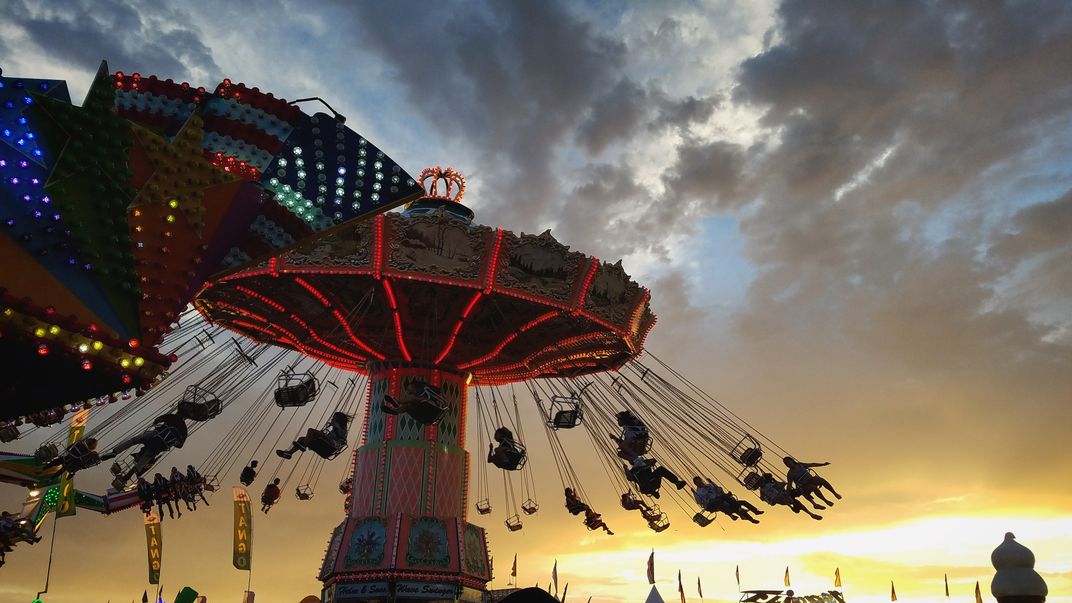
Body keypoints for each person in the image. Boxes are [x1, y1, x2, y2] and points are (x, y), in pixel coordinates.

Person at [101, 413, 189, 487]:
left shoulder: (172, 416)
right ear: (185, 418)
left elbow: (157, 420)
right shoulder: (184, 430)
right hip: (162, 445)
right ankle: (127, 477)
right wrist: (173, 440)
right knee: (144, 460)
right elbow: (180, 445)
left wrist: (159, 422)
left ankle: (114, 452)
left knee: (134, 440)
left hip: (155, 435)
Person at [276, 412, 349, 460]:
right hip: (328, 441)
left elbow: (334, 425)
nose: (333, 418)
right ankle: (289, 453)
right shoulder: (337, 427)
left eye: (334, 417)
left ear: (338, 419)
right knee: (301, 439)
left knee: (311, 430)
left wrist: (332, 423)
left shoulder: (341, 427)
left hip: (332, 443)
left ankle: (304, 446)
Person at [691, 476, 763, 524]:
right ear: (696, 484)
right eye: (698, 482)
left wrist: (712, 482)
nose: (700, 482)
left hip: (721, 499)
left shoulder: (709, 485)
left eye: (700, 481)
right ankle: (732, 514)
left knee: (740, 504)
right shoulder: (699, 492)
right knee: (721, 503)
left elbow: (718, 489)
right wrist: (694, 493)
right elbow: (699, 502)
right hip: (712, 504)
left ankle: (755, 511)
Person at [754, 473, 822, 520]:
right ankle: (810, 511)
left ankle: (811, 507)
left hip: (783, 496)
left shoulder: (765, 487)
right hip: (783, 496)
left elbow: (762, 498)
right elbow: (780, 486)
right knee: (795, 499)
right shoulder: (767, 487)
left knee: (798, 495)